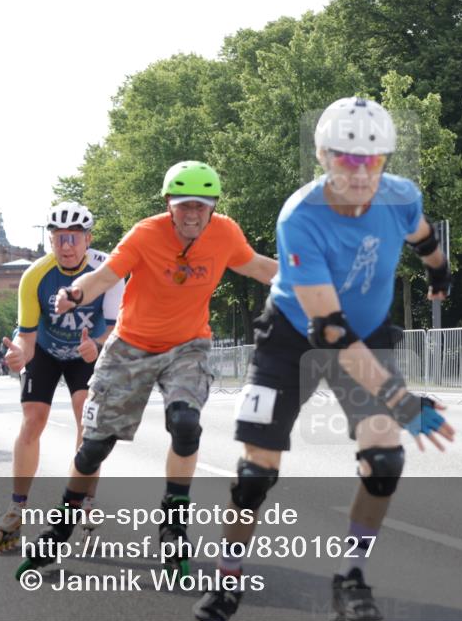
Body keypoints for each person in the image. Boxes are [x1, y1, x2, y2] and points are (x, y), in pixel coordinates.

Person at [192, 97, 456, 621]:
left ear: (386, 161)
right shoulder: (300, 216)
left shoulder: (401, 195)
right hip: (295, 335)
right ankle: (228, 574)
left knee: (384, 462)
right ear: (322, 155)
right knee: (255, 474)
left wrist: (441, 274)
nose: (359, 173)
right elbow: (331, 336)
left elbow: (423, 236)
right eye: (344, 159)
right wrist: (404, 402)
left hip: (370, 331)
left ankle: (351, 578)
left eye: (373, 160)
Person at [17, 160, 277, 576]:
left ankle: (173, 525)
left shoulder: (225, 233)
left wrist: (313, 285)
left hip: (188, 345)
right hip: (130, 346)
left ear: (212, 207)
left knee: (186, 424)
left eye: (201, 206)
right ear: (169, 205)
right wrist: (73, 292)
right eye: (184, 206)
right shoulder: (145, 233)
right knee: (95, 447)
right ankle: (62, 526)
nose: (193, 215)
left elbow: (260, 268)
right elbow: (103, 278)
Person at [0, 202, 125, 552]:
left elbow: (115, 329)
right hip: (47, 351)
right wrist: (20, 353)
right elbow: (27, 333)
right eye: (58, 239)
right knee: (33, 420)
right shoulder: (35, 276)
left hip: (88, 351)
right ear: (50, 241)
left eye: (74, 238)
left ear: (88, 240)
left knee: (88, 420)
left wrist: (96, 346)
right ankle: (17, 506)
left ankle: (85, 500)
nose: (66, 246)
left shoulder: (109, 272)